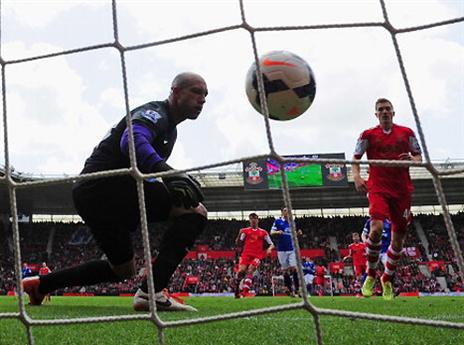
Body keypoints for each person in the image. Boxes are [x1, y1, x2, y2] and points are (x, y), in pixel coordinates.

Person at [23, 72, 209, 312]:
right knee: (195, 212)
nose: (202, 99)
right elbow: (131, 141)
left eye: (205, 94)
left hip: (92, 194)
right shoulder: (155, 113)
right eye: (196, 91)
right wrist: (169, 173)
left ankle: (40, 285)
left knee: (122, 269)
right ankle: (151, 293)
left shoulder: (170, 130)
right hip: (105, 187)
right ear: (174, 91)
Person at [352, 98, 422, 300]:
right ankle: (371, 275)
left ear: (393, 112)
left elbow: (419, 158)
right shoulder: (367, 135)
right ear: (376, 114)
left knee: (398, 240)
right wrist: (356, 176)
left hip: (402, 191)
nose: (384, 112)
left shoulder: (407, 133)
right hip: (378, 188)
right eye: (380, 109)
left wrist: (413, 160)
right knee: (375, 229)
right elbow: (354, 159)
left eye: (387, 109)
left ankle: (387, 279)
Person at [234, 213, 274, 298]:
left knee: (250, 270)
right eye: (251, 218)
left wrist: (269, 249)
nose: (253, 220)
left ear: (258, 220)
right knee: (241, 272)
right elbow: (238, 243)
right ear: (249, 220)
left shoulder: (263, 232)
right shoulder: (245, 231)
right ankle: (237, 289)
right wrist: (239, 233)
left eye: (255, 218)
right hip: (246, 255)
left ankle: (244, 293)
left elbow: (271, 244)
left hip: (257, 256)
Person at [270, 207, 303, 297]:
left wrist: (298, 234)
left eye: (288, 211)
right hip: (281, 249)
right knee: (285, 270)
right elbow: (271, 232)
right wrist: (277, 232)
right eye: (285, 210)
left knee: (294, 268)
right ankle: (288, 289)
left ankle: (298, 289)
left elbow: (294, 235)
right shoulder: (277, 221)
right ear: (281, 212)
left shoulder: (293, 223)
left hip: (292, 248)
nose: (287, 212)